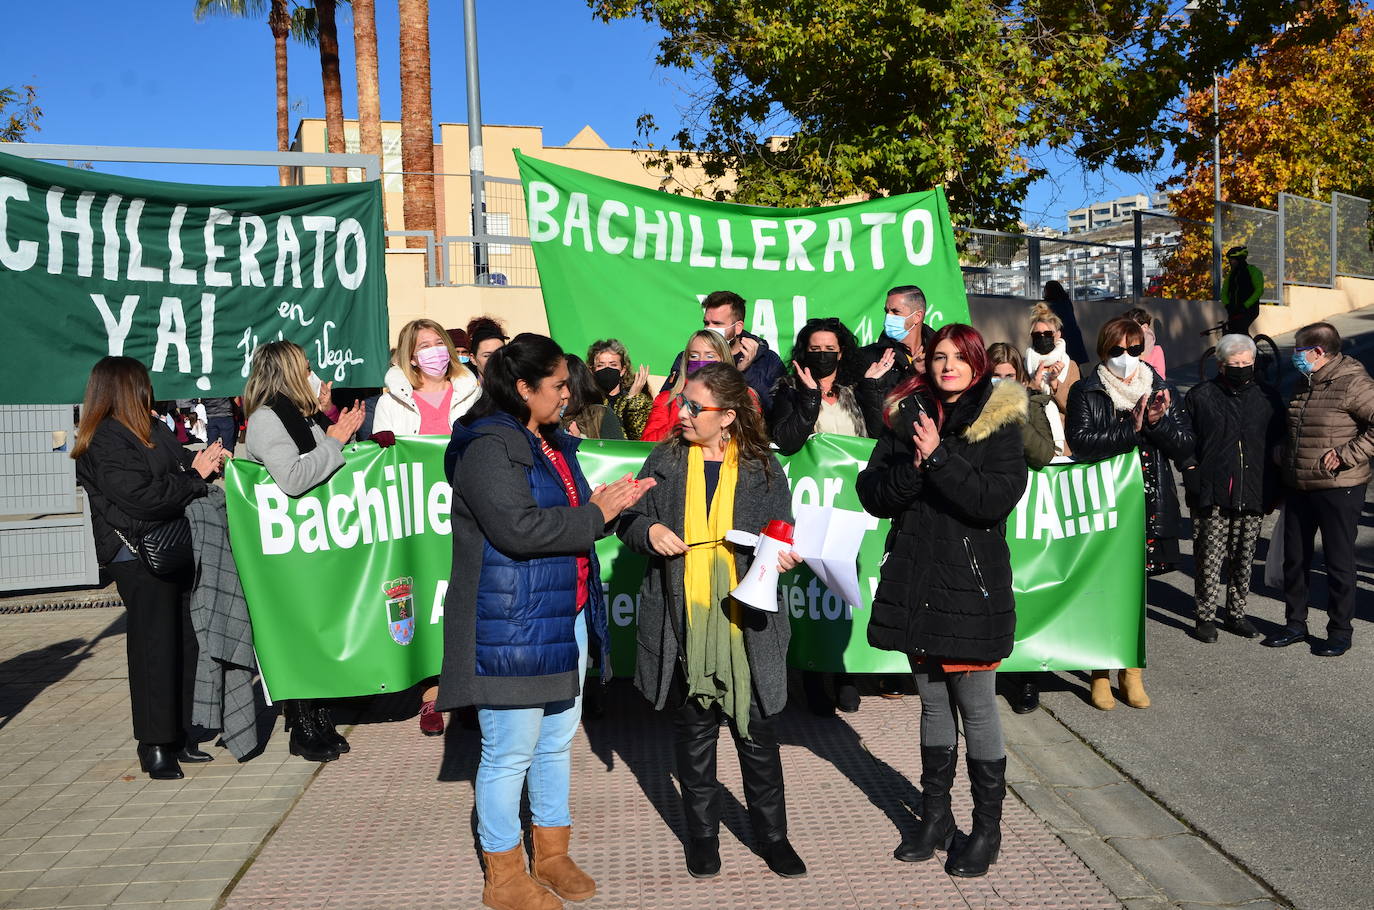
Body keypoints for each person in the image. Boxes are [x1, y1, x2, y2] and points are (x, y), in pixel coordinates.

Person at [437, 334, 652, 910]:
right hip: (510, 622)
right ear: (523, 387)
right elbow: (517, 529)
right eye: (557, 385)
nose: (567, 394)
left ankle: (552, 854)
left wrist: (608, 506)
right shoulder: (489, 447)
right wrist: (593, 515)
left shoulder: (552, 442)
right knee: (509, 751)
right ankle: (503, 875)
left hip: (564, 612)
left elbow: (572, 517)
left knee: (556, 741)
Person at [618, 362, 807, 880]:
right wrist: (649, 530)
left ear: (726, 416)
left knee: (757, 737)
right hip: (682, 621)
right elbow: (629, 519)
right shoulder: (665, 458)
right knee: (696, 736)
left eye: (693, 406)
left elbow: (784, 530)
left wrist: (783, 554)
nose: (681, 412)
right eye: (682, 402)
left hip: (748, 624)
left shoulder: (763, 468)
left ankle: (773, 838)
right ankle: (702, 838)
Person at [856, 324, 1029, 877]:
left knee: (976, 707)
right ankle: (935, 818)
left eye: (959, 357)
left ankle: (986, 830)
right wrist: (912, 466)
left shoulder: (1000, 420)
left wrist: (937, 458)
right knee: (931, 703)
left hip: (970, 588)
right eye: (938, 357)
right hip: (916, 580)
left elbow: (991, 500)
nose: (947, 365)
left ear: (978, 364)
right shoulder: (907, 415)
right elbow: (873, 493)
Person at [73, 357, 227, 780]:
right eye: (143, 385)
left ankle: (181, 733)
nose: (150, 391)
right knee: (153, 648)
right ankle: (154, 742)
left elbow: (179, 469)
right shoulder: (104, 439)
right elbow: (139, 497)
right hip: (137, 555)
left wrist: (205, 462)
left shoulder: (151, 428)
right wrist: (193, 477)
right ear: (125, 390)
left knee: (185, 641)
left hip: (174, 546)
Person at [241, 341, 366, 761]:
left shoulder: (298, 414)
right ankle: (302, 725)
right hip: (285, 545)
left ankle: (320, 717)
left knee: (317, 628)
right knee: (297, 631)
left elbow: (325, 457)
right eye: (307, 368)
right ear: (289, 373)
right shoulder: (266, 420)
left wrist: (335, 431)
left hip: (311, 541)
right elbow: (294, 478)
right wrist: (334, 441)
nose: (314, 375)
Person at [1067, 316, 1194, 710]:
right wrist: (1134, 430)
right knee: (1103, 589)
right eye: (1117, 350)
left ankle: (1132, 671)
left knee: (1136, 592)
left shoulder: (1160, 389)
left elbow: (1185, 445)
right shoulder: (1086, 390)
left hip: (1148, 502)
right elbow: (1081, 442)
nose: (1126, 357)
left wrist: (1156, 424)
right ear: (1103, 351)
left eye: (1134, 349)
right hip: (1104, 503)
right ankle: (1099, 672)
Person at [372, 318, 482, 736]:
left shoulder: (472, 391)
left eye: (439, 342)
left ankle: (468, 691)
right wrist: (381, 444)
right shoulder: (392, 401)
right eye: (424, 345)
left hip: (466, 507)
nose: (435, 351)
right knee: (425, 598)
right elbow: (382, 461)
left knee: (465, 595)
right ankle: (432, 695)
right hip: (418, 516)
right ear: (411, 355)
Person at [1263, 322, 1374, 656]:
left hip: (1339, 486)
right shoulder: (1306, 380)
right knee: (1295, 559)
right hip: (1299, 484)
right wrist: (1284, 451)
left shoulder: (1354, 383)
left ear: (1317, 351)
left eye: (1299, 351)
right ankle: (1295, 624)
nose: (1295, 357)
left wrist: (1347, 454)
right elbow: (1299, 427)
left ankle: (1339, 631)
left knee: (1338, 563)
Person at [1182, 335, 1283, 643]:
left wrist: (1276, 485)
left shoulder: (1267, 397)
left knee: (1244, 557)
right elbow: (1185, 439)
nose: (1241, 368)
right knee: (1208, 557)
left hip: (1253, 489)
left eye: (1246, 363)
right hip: (1211, 491)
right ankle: (1205, 616)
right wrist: (1190, 469)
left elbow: (1279, 442)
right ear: (1221, 364)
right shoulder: (1201, 396)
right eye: (1234, 363)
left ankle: (1236, 614)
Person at [769, 317, 884, 455]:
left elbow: (878, 436)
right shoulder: (790, 389)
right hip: (811, 469)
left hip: (855, 467)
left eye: (830, 349)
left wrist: (871, 389)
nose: (822, 355)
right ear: (806, 352)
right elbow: (786, 442)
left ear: (840, 353)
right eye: (815, 349)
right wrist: (810, 398)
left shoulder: (856, 388)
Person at [856, 285, 935, 427]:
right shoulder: (867, 357)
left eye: (895, 312)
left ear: (917, 316)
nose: (888, 317)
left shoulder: (940, 355)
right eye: (887, 311)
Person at [641, 330, 735, 442]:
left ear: (723, 360)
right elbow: (646, 442)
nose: (701, 361)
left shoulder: (740, 397)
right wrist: (681, 423)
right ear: (686, 361)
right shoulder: (667, 399)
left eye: (710, 356)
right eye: (694, 356)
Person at [699, 290, 785, 410]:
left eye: (717, 323)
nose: (709, 328)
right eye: (706, 323)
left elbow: (773, 409)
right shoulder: (691, 357)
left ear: (738, 327)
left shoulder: (768, 361)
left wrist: (744, 373)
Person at [1024, 303, 1082, 422]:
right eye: (1037, 335)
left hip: (1062, 430)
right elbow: (1018, 406)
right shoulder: (1025, 365)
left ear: (1058, 335)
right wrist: (1034, 385)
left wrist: (1055, 384)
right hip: (1033, 428)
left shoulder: (1070, 366)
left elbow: (1075, 407)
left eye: (1048, 334)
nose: (1043, 338)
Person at [588, 339, 654, 440]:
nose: (607, 369)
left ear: (622, 370)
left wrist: (632, 401)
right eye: (600, 365)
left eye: (613, 365)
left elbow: (637, 436)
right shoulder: (587, 400)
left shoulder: (641, 400)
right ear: (592, 370)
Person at [560, 354, 625, 440]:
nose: (563, 395)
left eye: (563, 386)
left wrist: (579, 443)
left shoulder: (600, 415)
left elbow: (617, 448)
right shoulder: (546, 420)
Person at [1042, 280, 1089, 366]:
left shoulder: (1051, 306)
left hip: (1064, 336)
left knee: (1065, 363)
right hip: (1073, 334)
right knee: (1075, 364)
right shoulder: (1066, 302)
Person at [1221, 246, 1264, 336]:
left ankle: (1250, 345)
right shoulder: (1231, 275)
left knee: (1241, 330)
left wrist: (1245, 305)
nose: (1230, 262)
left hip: (1249, 310)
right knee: (1230, 332)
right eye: (1230, 259)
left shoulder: (1253, 271)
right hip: (1234, 310)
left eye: (1233, 259)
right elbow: (1224, 292)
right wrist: (1227, 305)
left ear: (1240, 259)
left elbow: (1259, 290)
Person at [1123, 307, 1167, 379]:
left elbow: (1160, 380)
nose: (1127, 330)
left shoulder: (1156, 351)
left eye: (1132, 327)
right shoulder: (1121, 347)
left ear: (1145, 327)